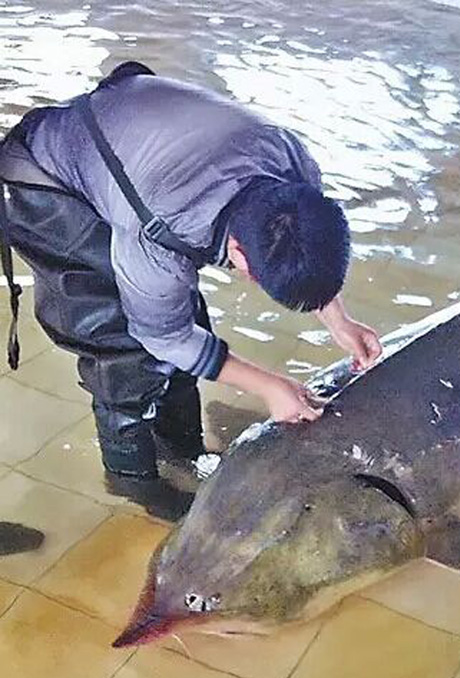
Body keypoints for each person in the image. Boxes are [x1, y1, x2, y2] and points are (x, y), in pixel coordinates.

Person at [0, 61, 382, 519]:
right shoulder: (161, 229)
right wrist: (271, 387)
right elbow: (161, 336)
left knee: (187, 319)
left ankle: (182, 450)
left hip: (132, 140)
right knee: (124, 347)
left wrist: (339, 322)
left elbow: (299, 252)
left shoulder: (293, 165)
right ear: (238, 251)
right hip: (48, 175)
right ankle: (134, 484)